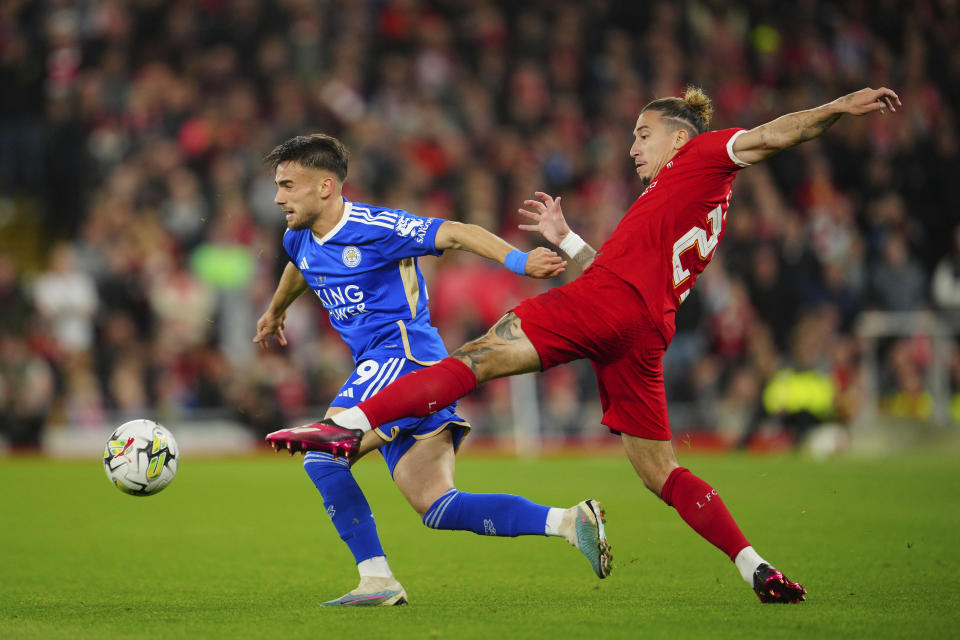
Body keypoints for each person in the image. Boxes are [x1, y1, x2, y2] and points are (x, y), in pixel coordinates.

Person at [269, 86, 902, 603]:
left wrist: (836, 109)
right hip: (643, 330)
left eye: (641, 134)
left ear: (678, 137)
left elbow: (771, 134)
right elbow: (619, 272)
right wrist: (569, 240)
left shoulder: (706, 154)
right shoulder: (691, 199)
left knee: (475, 358)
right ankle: (754, 565)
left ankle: (349, 425)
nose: (632, 147)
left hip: (610, 307)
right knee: (663, 474)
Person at [255, 134, 612, 607]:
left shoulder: (375, 226)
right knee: (437, 506)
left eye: (287, 185)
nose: (277, 197)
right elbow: (301, 265)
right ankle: (569, 521)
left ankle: (376, 580)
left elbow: (458, 231)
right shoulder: (297, 234)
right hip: (385, 369)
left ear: (325, 187)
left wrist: (519, 260)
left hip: (404, 358)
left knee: (324, 453)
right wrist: (276, 310)